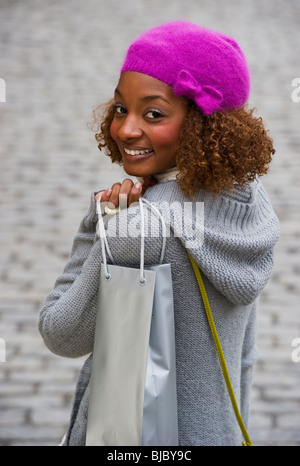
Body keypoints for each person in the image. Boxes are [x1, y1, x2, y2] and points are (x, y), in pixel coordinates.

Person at [39, 21, 280, 446]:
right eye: (120, 108)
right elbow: (242, 354)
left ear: (201, 125)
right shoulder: (246, 199)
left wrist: (101, 222)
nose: (126, 130)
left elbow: (60, 332)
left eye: (153, 113)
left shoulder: (139, 227)